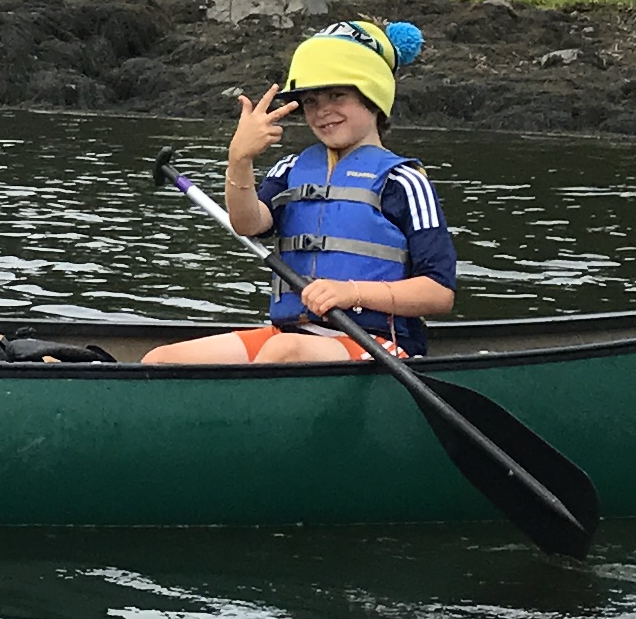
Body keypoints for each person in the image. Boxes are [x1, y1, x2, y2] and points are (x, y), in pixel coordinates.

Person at [144, 20, 454, 368]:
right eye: (310, 101)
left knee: (283, 352)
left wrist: (351, 292)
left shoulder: (403, 181)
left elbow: (439, 293)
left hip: (382, 345)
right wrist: (240, 160)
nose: (322, 111)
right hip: (292, 335)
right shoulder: (290, 170)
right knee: (161, 360)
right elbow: (247, 223)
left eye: (337, 95)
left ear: (373, 96)